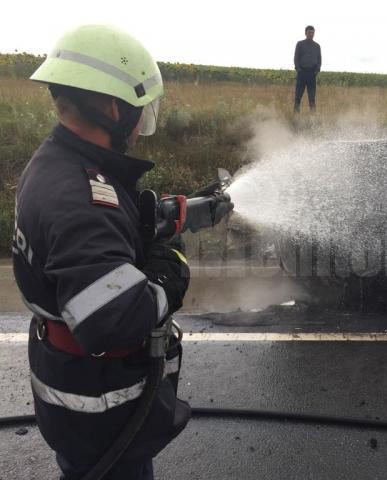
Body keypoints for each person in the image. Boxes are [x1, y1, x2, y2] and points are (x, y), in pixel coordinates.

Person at [11, 25, 231, 479]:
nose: (139, 124)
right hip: (104, 413)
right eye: (138, 110)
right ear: (113, 107)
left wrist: (155, 217)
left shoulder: (58, 162)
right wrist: (171, 270)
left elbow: (93, 235)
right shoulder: (82, 199)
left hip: (79, 398)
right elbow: (115, 319)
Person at [293, 25, 322, 113]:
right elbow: (296, 58)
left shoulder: (317, 46)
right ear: (305, 33)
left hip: (312, 74)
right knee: (298, 97)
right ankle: (296, 119)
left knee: (312, 99)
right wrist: (298, 70)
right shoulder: (300, 44)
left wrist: (317, 70)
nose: (311, 34)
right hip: (302, 73)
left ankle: (313, 120)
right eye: (309, 32)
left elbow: (319, 60)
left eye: (312, 33)